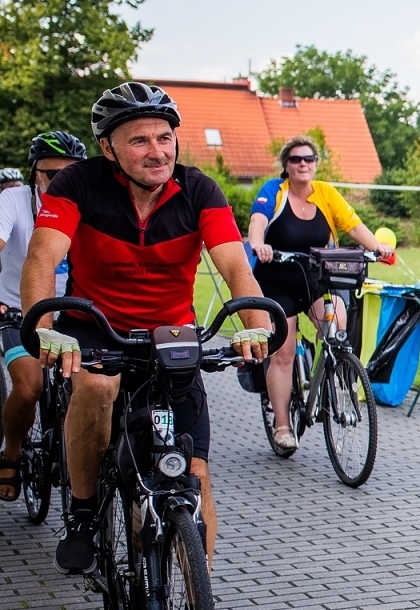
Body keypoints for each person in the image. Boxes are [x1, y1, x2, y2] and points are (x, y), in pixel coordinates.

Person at [24, 82, 273, 573]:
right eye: (139, 140)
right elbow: (40, 258)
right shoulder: (79, 184)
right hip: (95, 327)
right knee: (96, 386)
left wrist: (255, 325)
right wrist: (45, 329)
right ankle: (82, 512)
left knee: (195, 472)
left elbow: (235, 267)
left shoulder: (198, 188)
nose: (156, 151)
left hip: (170, 336)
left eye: (164, 137)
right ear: (107, 148)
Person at [247, 136, 392, 455]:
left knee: (336, 321)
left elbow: (353, 226)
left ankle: (332, 371)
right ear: (286, 164)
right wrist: (259, 244)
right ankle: (282, 424)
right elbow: (258, 222)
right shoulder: (274, 190)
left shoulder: (326, 193)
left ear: (315, 163)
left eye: (309, 159)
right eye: (296, 159)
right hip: (276, 280)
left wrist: (376, 247)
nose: (303, 164)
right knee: (282, 354)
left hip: (314, 278)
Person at [0, 135, 84, 501]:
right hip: (17, 310)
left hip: (73, 312)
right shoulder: (12, 202)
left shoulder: (90, 203)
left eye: (72, 175)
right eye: (52, 174)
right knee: (29, 386)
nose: (61, 183)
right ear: (35, 174)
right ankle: (13, 452)